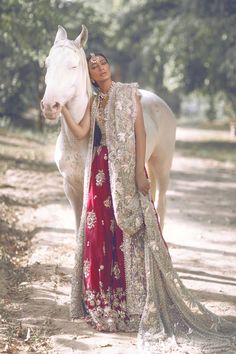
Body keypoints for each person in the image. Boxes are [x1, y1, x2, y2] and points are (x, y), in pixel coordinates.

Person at [62, 53, 236, 353]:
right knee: (99, 233)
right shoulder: (94, 103)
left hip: (127, 166)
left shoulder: (130, 93)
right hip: (101, 170)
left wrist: (139, 170)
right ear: (90, 76)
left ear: (109, 68)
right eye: (93, 66)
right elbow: (81, 132)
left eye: (102, 63)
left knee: (133, 227)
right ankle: (105, 298)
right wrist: (63, 109)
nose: (100, 67)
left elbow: (140, 132)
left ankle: (138, 298)